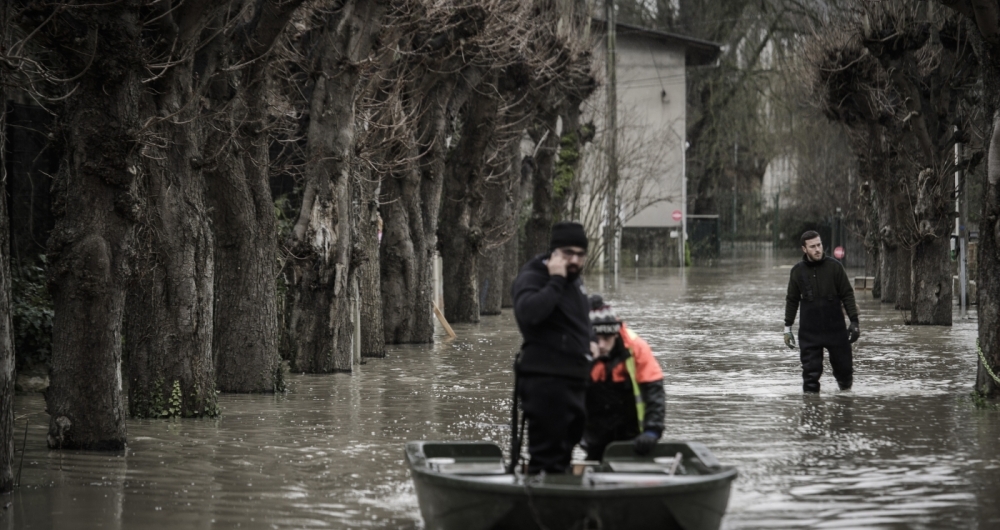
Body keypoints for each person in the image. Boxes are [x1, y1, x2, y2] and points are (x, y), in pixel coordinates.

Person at [512, 221, 597, 473]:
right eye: (568, 253)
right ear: (554, 252)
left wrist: (591, 342)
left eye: (580, 255)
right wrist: (556, 280)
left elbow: (580, 319)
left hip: (575, 379)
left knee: (566, 449)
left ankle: (564, 500)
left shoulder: (575, 282)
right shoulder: (535, 275)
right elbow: (528, 313)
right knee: (547, 455)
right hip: (546, 381)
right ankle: (543, 505)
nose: (575, 260)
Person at [582, 295, 665, 461]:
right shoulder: (576, 348)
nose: (602, 345)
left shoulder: (636, 348)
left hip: (634, 435)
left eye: (607, 338)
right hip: (595, 433)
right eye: (597, 339)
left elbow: (654, 391)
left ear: (616, 333)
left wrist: (652, 430)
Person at [784, 230, 860, 392]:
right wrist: (787, 328)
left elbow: (847, 294)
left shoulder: (835, 267)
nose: (817, 249)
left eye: (819, 245)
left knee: (845, 375)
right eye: (812, 246)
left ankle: (844, 409)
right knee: (810, 379)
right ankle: (811, 411)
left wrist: (854, 321)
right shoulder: (797, 272)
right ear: (804, 249)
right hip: (810, 333)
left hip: (836, 330)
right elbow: (792, 300)